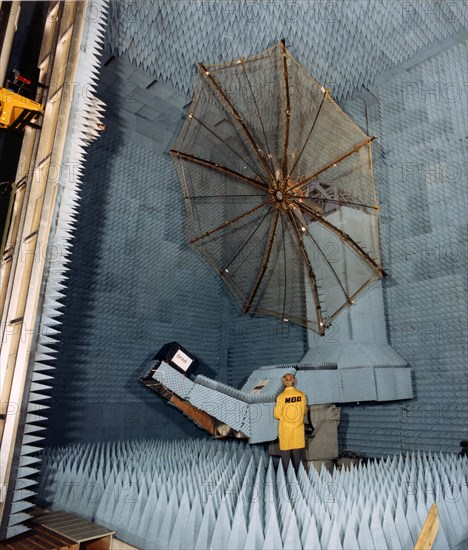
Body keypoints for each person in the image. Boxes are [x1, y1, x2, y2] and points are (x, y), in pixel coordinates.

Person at [273, 373, 307, 471]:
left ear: (283, 382)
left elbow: (277, 415)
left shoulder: (281, 397)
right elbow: (304, 411)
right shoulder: (301, 395)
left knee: (285, 463)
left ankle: (286, 480)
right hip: (298, 432)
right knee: (298, 463)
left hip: (285, 433)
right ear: (294, 381)